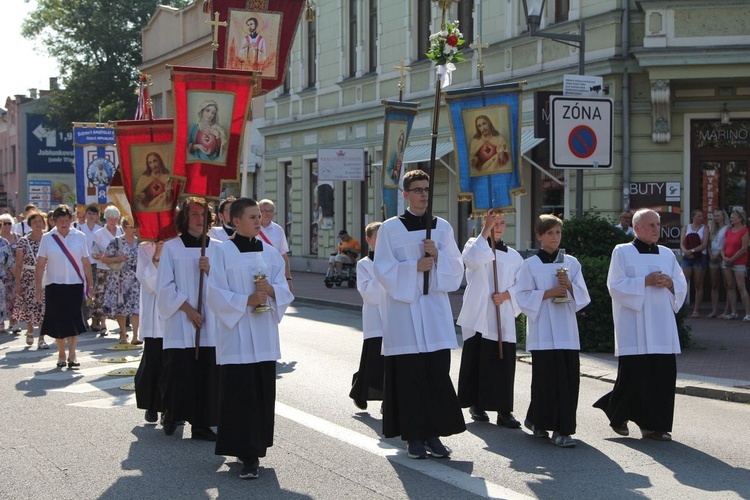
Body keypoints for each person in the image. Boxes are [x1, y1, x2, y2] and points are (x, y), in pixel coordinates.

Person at [373, 169, 466, 459]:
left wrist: (437, 257)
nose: (423, 194)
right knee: (411, 379)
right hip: (405, 315)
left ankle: (433, 434)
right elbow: (383, 269)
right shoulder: (390, 228)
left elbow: (457, 268)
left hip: (435, 315)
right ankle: (413, 437)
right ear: (406, 195)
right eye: (417, 190)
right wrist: (414, 267)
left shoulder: (441, 227)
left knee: (436, 375)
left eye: (426, 189)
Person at [207, 197, 293, 480]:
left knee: (261, 395)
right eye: (253, 217)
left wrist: (271, 291)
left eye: (260, 216)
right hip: (238, 337)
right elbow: (214, 293)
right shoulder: (222, 252)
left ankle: (256, 446)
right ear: (235, 221)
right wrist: (246, 300)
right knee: (240, 395)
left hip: (264, 336)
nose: (259, 221)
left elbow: (285, 289)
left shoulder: (269, 253)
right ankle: (245, 453)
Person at [593, 209, 687, 441]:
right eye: (651, 225)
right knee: (635, 376)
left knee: (662, 376)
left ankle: (655, 426)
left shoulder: (667, 254)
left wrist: (671, 283)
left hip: (662, 324)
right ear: (637, 228)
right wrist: (643, 282)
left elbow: (681, 283)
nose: (657, 229)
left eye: (658, 224)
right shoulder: (622, 252)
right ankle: (617, 413)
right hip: (634, 323)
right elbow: (615, 285)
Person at [511, 214, 590, 448]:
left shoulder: (572, 263)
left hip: (566, 331)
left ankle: (563, 429)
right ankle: (538, 420)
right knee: (546, 382)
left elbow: (583, 296)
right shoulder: (530, 265)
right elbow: (522, 296)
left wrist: (570, 287)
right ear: (539, 236)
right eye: (549, 233)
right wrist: (547, 293)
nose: (555, 237)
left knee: (568, 381)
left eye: (558, 233)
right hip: (543, 331)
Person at [156, 197, 219, 440]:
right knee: (179, 372)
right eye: (193, 214)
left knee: (206, 374)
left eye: (203, 215)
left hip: (210, 321)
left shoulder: (217, 248)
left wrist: (210, 270)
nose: (198, 219)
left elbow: (228, 284)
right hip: (181, 321)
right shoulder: (172, 248)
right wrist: (189, 311)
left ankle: (202, 423)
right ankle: (172, 412)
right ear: (184, 218)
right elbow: (165, 287)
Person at [457, 210, 524, 428]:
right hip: (480, 314)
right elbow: (471, 261)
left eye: (502, 223)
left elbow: (522, 286)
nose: (499, 226)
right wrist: (485, 232)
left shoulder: (515, 257)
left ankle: (504, 411)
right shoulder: (474, 245)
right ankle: (477, 404)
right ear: (485, 222)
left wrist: (506, 296)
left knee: (503, 364)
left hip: (502, 313)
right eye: (494, 222)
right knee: (478, 360)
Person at [34, 205, 93, 369]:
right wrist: (38, 288)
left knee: (74, 319)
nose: (64, 223)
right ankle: (61, 352)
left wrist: (91, 285)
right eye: (60, 220)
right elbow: (40, 265)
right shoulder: (47, 238)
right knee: (58, 321)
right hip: (54, 285)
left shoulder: (80, 236)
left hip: (75, 284)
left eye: (66, 220)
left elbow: (86, 263)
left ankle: (72, 353)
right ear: (54, 221)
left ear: (71, 220)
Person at [349, 221, 386, 412]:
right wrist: (388, 280)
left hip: (394, 319)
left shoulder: (394, 262)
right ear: (369, 240)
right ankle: (360, 391)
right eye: (378, 237)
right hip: (375, 320)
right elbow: (368, 292)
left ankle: (389, 399)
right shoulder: (364, 264)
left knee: (392, 362)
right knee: (372, 361)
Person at [134, 239, 165, 424]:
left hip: (178, 310)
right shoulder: (145, 248)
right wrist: (157, 256)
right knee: (153, 361)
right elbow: (148, 282)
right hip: (155, 316)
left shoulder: (180, 244)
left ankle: (170, 407)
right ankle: (152, 405)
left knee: (173, 363)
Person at [100, 216, 140, 344]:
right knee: (121, 308)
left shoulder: (139, 242)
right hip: (120, 279)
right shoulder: (116, 242)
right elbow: (104, 259)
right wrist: (118, 259)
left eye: (135, 227)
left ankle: (135, 336)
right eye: (131, 227)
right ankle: (123, 334)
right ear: (124, 228)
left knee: (136, 308)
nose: (134, 230)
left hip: (135, 279)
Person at [13, 211, 47, 348]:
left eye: (40, 221)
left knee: (43, 307)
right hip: (28, 276)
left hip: (45, 277)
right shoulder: (23, 241)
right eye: (34, 222)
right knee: (29, 305)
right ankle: (30, 330)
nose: (38, 224)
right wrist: (18, 282)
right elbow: (19, 264)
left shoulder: (49, 239)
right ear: (30, 225)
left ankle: (42, 337)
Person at [91, 206, 124, 336]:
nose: (112, 220)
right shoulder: (98, 234)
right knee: (102, 296)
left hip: (119, 269)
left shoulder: (121, 231)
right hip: (104, 269)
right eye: (110, 218)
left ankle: (121, 327)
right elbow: (93, 253)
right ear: (106, 218)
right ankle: (103, 324)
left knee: (119, 297)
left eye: (115, 218)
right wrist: (104, 257)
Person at [720, 208, 750, 321]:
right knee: (730, 286)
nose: (731, 219)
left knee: (741, 287)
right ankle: (734, 312)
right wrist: (724, 257)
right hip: (727, 261)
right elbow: (723, 247)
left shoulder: (744, 231)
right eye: (731, 217)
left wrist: (732, 258)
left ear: (740, 218)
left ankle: (748, 313)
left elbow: (744, 248)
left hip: (739, 262)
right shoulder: (729, 231)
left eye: (733, 217)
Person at [258, 199, 293, 292]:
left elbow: (284, 256)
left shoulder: (278, 230)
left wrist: (288, 278)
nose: (267, 213)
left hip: (275, 273)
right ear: (258, 211)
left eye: (270, 211)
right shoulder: (252, 228)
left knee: (275, 301)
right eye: (264, 211)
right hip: (256, 272)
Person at [77, 205, 102, 331]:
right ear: (85, 215)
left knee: (96, 292)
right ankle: (84, 319)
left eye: (94, 214)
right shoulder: (79, 229)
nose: (91, 216)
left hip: (98, 264)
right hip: (83, 265)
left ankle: (95, 320)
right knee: (84, 292)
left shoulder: (100, 229)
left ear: (98, 216)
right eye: (89, 213)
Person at [679, 209, 708, 317]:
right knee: (683, 282)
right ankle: (681, 308)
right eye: (698, 216)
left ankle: (696, 310)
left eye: (702, 216)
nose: (701, 218)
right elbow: (681, 243)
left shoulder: (704, 228)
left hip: (699, 257)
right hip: (686, 257)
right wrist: (685, 251)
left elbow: (704, 244)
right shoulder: (686, 227)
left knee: (698, 284)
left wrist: (692, 251)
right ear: (693, 217)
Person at [707, 209, 729, 318]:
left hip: (723, 256)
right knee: (714, 284)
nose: (716, 218)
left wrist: (719, 254)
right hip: (713, 257)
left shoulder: (727, 228)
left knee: (727, 284)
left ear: (723, 217)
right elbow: (709, 244)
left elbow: (727, 243)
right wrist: (711, 254)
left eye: (718, 216)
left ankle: (727, 310)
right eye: (715, 216)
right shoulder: (712, 229)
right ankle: (714, 310)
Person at [0, 213, 19, 334]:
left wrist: (18, 277)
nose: (6, 226)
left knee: (10, 299)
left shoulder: (3, 243)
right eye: (4, 224)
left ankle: (12, 322)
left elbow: (10, 262)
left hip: (4, 277)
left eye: (8, 223)